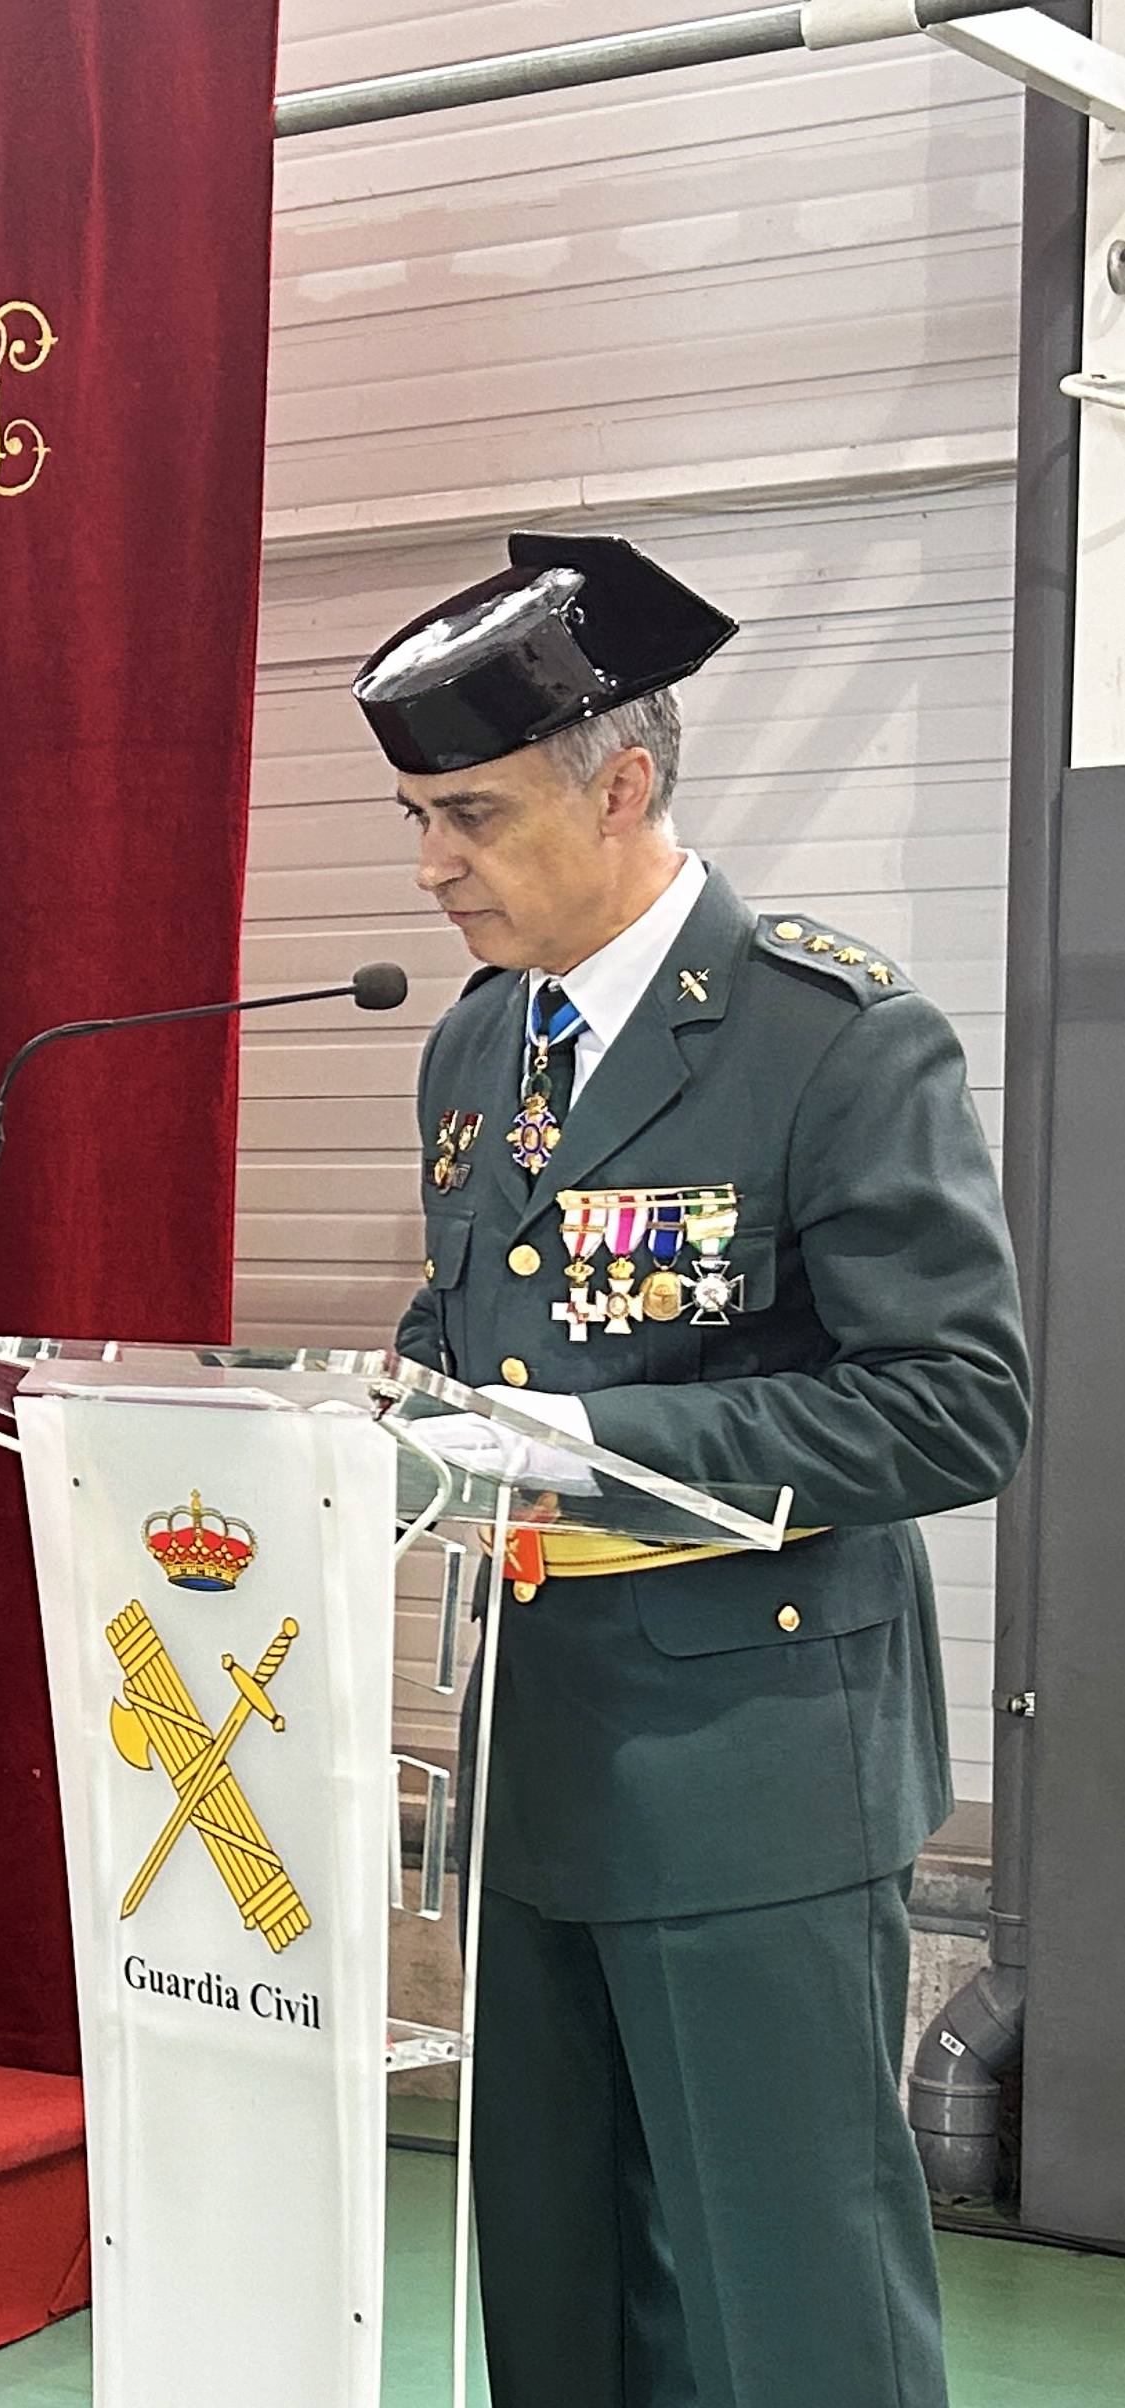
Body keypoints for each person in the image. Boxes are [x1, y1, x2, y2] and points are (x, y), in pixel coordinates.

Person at [365, 533, 1030, 2408]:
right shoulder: (476, 1044)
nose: (431, 867)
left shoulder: (831, 1038)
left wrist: (593, 1447)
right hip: (536, 1751)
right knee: (555, 2278)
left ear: (621, 785)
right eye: (418, 819)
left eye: (471, 816)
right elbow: (465, 1331)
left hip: (756, 1765)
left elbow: (954, 1402)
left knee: (784, 2297)